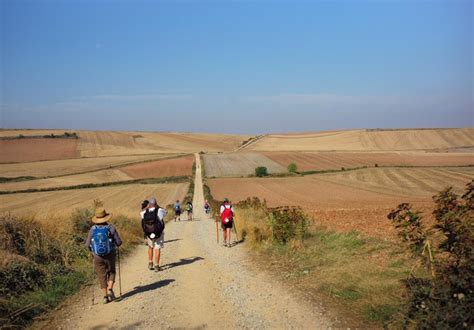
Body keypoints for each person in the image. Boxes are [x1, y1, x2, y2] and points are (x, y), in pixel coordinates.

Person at [86, 207, 122, 304]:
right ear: (106, 217)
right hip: (110, 254)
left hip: (97, 256)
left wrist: (93, 251)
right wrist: (116, 244)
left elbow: (87, 244)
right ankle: (110, 290)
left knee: (102, 276)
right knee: (112, 272)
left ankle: (105, 297)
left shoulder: (92, 229)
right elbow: (119, 242)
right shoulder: (111, 228)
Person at [140, 197, 167, 271]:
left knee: (150, 247)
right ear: (155, 204)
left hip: (148, 233)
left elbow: (141, 213)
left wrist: (146, 207)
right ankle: (157, 266)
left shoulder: (144, 212)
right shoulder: (159, 210)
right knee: (157, 248)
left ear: (149, 204)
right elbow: (166, 212)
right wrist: (158, 206)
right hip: (158, 233)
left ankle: (150, 263)